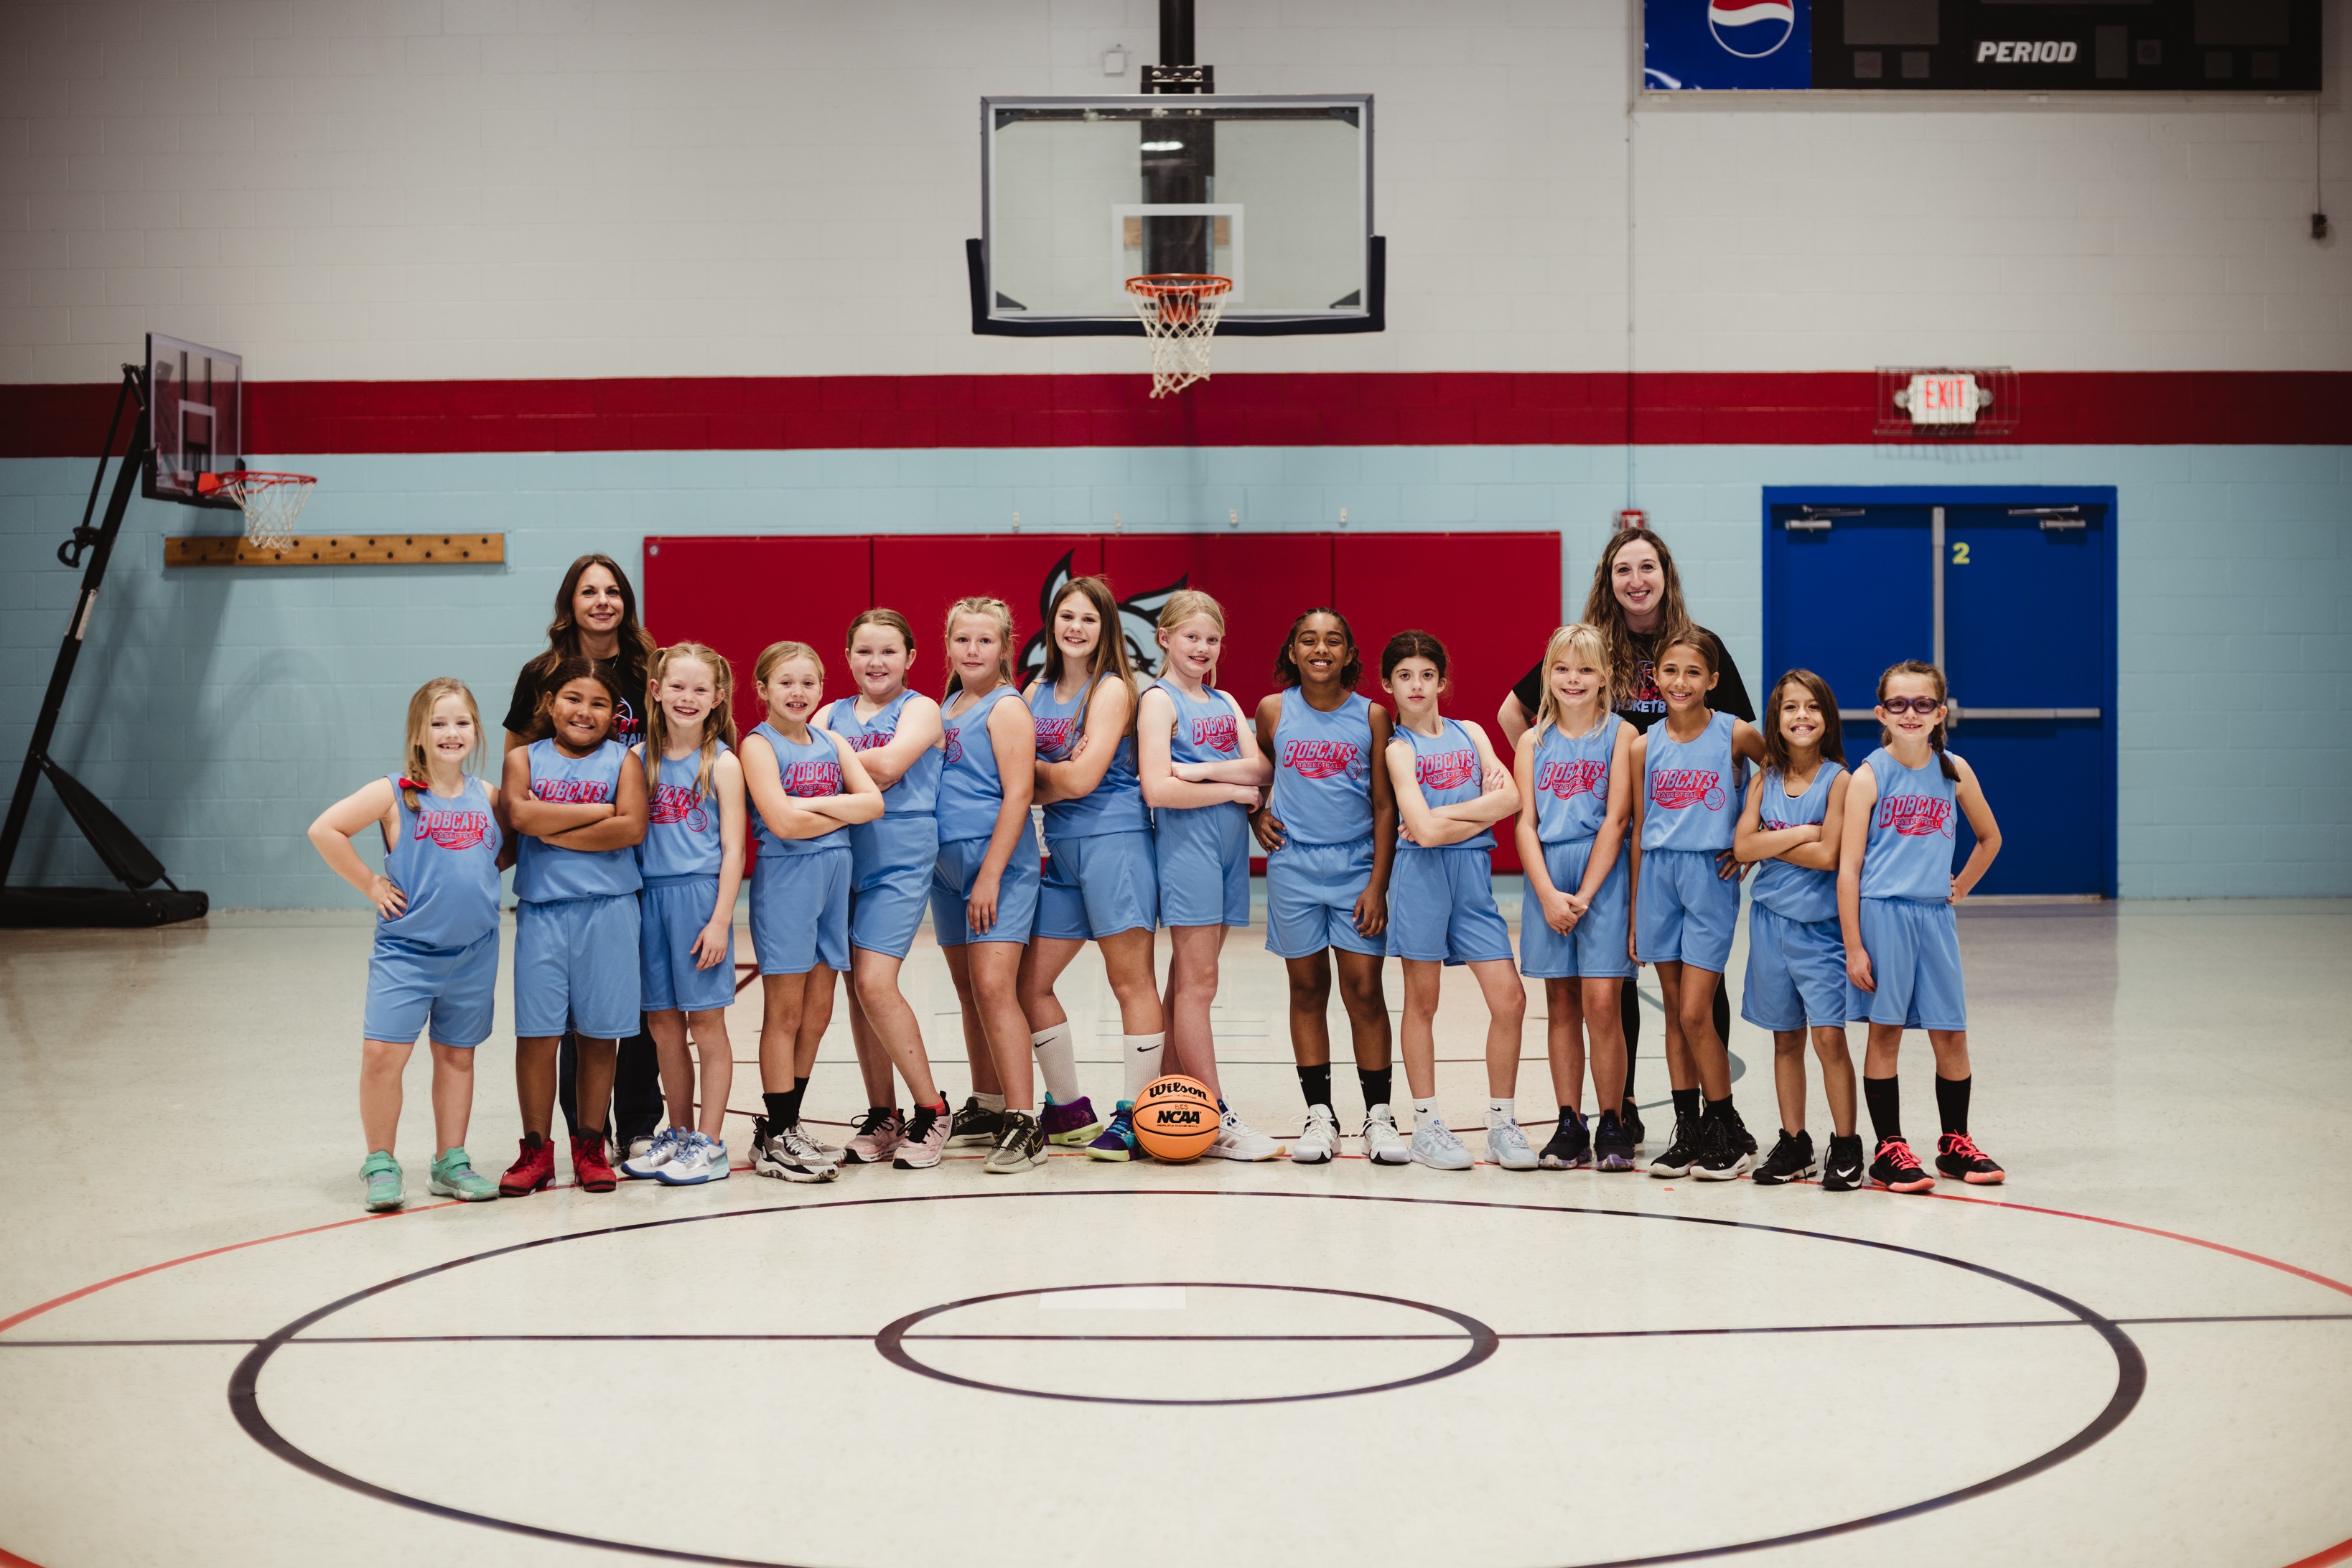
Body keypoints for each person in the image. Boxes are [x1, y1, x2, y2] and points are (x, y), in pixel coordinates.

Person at [1497, 528, 1753, 1146]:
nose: (1635, 581)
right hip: (1602, 827)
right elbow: (1514, 713)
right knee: (1615, 984)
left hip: (1678, 831)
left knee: (1694, 981)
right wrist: (1557, 779)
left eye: (1647, 568)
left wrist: (1743, 827)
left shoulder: (1697, 646)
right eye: (1622, 570)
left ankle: (1716, 1113)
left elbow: (1742, 737)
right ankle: (1626, 1106)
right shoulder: (1592, 647)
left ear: (1666, 573)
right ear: (1607, 580)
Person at [307, 678, 512, 1211]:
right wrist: (371, 883)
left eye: (462, 722)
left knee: (457, 1058)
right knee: (382, 1057)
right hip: (408, 954)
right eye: (438, 723)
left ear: (476, 730)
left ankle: (450, 1162)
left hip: (473, 954)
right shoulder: (395, 793)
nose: (451, 733)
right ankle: (380, 1161)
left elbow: (506, 850)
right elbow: (325, 830)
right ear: (418, 733)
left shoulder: (488, 796)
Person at [500, 553, 664, 1165]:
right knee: (562, 1014)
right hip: (561, 864)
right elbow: (517, 763)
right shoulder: (541, 672)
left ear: (627, 601)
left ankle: (641, 1123)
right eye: (589, 591)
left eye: (613, 591)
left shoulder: (652, 665)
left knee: (633, 1000)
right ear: (570, 601)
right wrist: (518, 841)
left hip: (641, 847)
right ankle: (576, 1134)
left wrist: (618, 817)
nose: (602, 601)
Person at [1837, 659, 2007, 1193]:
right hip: (1883, 914)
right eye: (1898, 704)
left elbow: (1989, 838)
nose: (1911, 713)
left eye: (1923, 703)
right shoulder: (1868, 776)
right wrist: (1854, 947)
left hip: (1934, 917)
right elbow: (1849, 869)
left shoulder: (1954, 770)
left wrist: (1960, 887)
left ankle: (1954, 1144)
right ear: (1879, 712)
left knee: (1951, 1034)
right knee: (1885, 1033)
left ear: (1941, 711)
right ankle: (1889, 1148)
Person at [1251, 610, 1406, 1166]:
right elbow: (1254, 775)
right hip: (1293, 868)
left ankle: (1380, 1115)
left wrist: (1377, 884)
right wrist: (1255, 816)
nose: (1321, 649)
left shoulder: (1372, 715)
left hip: (1356, 868)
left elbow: (1386, 807)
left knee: (1364, 989)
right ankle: (1321, 1115)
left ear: (1348, 653)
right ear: (1292, 650)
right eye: (1309, 640)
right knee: (1307, 988)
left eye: (1333, 640)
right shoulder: (1273, 711)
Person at [1134, 590, 1278, 1162]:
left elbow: (1264, 766)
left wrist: (1203, 770)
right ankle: (1217, 1114)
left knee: (1187, 985)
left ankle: (1171, 1103)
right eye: (1191, 636)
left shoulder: (1224, 700)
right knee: (1200, 985)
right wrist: (1233, 791)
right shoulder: (1158, 701)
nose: (1202, 647)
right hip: (1187, 851)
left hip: (1226, 854)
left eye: (1212, 638)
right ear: (1165, 638)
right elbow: (1157, 788)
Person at [1019, 575, 1161, 1153]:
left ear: (1107, 629)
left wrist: (1043, 772)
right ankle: (1068, 1109)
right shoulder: (1034, 689)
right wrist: (1057, 776)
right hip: (1061, 847)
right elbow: (1020, 781)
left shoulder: (1112, 692)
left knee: (1129, 980)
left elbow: (1078, 778)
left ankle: (1135, 1113)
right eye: (1067, 617)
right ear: (1052, 625)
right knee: (1030, 984)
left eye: (1089, 619)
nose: (1076, 628)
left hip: (1115, 843)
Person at [498, 659, 648, 1197]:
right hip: (542, 912)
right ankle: (535, 1150)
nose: (584, 711)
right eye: (573, 699)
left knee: (598, 1033)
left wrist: (552, 826)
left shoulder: (624, 761)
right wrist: (595, 813)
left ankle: (590, 1145)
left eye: (599, 703)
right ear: (550, 704)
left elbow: (629, 827)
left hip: (609, 911)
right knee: (537, 1035)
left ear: (614, 715)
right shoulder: (523, 759)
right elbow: (518, 816)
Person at [813, 610, 954, 1172]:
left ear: (911, 657)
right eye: (864, 651)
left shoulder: (921, 708)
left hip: (899, 859)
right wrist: (849, 769)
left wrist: (830, 762)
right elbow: (831, 770)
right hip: (841, 857)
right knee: (857, 991)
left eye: (889, 651)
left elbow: (892, 764)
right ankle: (884, 1114)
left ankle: (933, 1108)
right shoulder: (829, 712)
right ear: (847, 657)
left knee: (876, 983)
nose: (876, 662)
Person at [1380, 630, 1526, 1172]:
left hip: (1472, 880)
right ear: (1388, 684)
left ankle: (1502, 1123)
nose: (1416, 685)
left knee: (1510, 1000)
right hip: (1419, 878)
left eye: (1426, 675)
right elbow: (1418, 828)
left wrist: (1443, 822)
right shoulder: (1399, 749)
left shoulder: (1472, 732)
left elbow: (1512, 798)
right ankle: (1427, 1125)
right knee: (1423, 1003)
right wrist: (1478, 810)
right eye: (1404, 676)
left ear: (1443, 680)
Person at [741, 641, 882, 1183]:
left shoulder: (831, 740)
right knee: (785, 1012)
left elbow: (873, 804)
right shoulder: (759, 745)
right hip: (786, 885)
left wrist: (805, 806)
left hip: (833, 882)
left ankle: (788, 1124)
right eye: (785, 683)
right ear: (763, 690)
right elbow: (781, 824)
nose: (797, 692)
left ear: (822, 689)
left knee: (818, 1014)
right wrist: (833, 812)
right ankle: (776, 1136)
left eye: (808, 683)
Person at [1630, 633, 1766, 1182]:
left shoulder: (1736, 733)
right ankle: (1688, 1130)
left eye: (1692, 672)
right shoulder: (1644, 745)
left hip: (1709, 876)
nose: (1680, 682)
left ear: (1712, 680)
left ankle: (1726, 1127)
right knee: (1672, 1007)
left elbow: (1779, 777)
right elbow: (1639, 828)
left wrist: (1750, 846)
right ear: (1655, 679)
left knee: (1694, 1012)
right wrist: (1638, 905)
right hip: (1658, 877)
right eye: (1670, 671)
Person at [1511, 624, 1638, 1172]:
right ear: (1548, 675)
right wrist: (1545, 893)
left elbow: (1617, 819)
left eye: (1585, 669)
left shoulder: (1624, 735)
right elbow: (1524, 824)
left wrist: (1584, 894)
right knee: (1560, 1003)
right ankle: (1570, 1121)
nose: (1573, 679)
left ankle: (1613, 1118)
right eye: (1562, 668)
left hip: (1600, 876)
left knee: (1604, 1004)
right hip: (1548, 876)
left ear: (1605, 676)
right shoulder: (1531, 741)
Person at [933, 598, 1053, 1174]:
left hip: (996, 866)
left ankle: (1026, 1122)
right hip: (947, 868)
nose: (973, 651)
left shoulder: (1006, 708)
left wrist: (989, 876)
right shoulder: (947, 704)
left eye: (985, 641)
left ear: (1006, 648)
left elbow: (1019, 795)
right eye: (963, 640)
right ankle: (986, 1102)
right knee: (967, 989)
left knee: (994, 986)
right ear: (948, 644)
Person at [617, 643, 743, 1188]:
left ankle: (711, 1145)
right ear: (656, 690)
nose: (687, 698)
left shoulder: (725, 761)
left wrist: (719, 921)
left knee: (707, 1026)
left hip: (698, 901)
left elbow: (735, 851)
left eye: (699, 689)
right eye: (677, 687)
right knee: (664, 1028)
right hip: (648, 901)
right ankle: (680, 1134)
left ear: (717, 698)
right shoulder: (637, 758)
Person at [1732, 668, 1861, 1191]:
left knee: (1829, 1038)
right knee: (1786, 1040)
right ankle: (1794, 1141)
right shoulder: (1764, 779)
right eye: (1790, 707)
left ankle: (1847, 1143)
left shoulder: (1841, 781)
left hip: (1821, 931)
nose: (1801, 716)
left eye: (1812, 707)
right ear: (1776, 719)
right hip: (1768, 926)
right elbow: (1742, 848)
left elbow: (1830, 855)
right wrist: (1803, 834)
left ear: (1827, 718)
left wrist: (1776, 838)